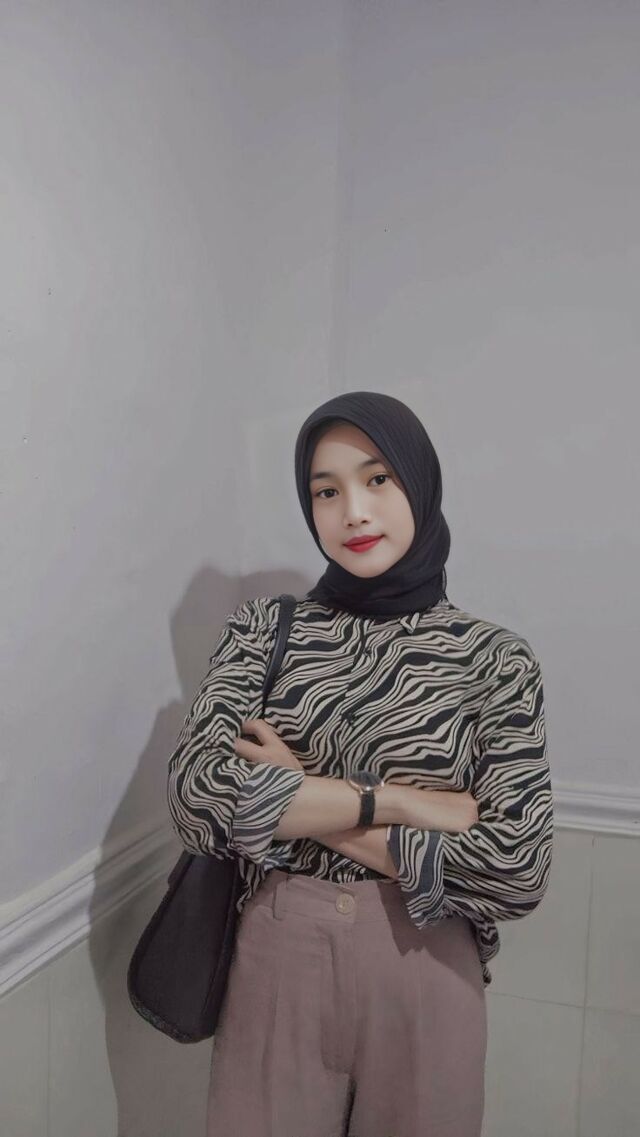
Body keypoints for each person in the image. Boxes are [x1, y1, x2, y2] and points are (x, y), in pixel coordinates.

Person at [166, 390, 553, 1137]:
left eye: (378, 479)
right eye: (326, 491)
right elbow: (196, 797)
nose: (353, 511)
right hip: (280, 956)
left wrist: (295, 800)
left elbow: (516, 868)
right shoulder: (264, 630)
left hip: (428, 965)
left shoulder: (494, 658)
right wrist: (399, 801)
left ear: (420, 483)